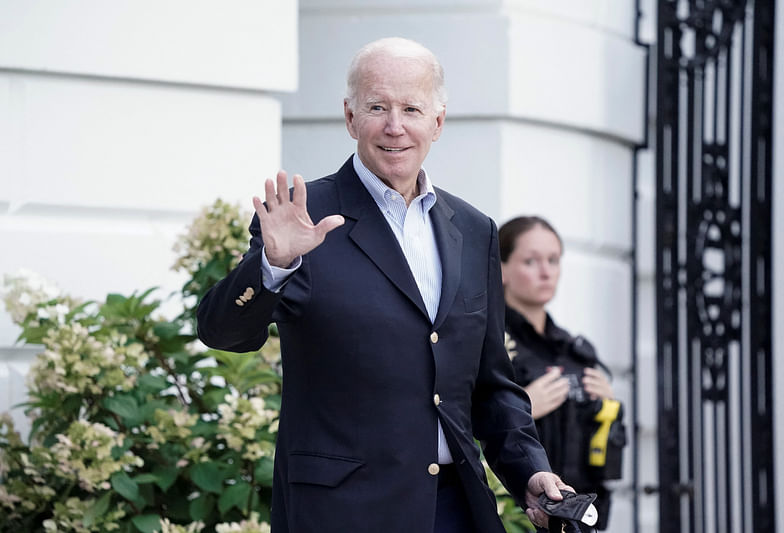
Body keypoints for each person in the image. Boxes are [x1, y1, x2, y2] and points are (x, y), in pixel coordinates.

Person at [197, 37, 571, 533]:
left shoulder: (475, 229)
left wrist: (529, 471)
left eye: (411, 108)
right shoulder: (302, 217)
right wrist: (272, 263)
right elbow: (222, 332)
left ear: (437, 122)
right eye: (377, 107)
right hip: (343, 514)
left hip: (456, 511)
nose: (395, 126)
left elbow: (490, 385)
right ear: (351, 118)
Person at [499, 216, 624, 531]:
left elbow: (606, 454)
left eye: (553, 260)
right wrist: (523, 407)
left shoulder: (575, 351)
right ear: (500, 268)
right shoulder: (490, 345)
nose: (546, 272)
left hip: (580, 516)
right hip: (517, 516)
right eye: (531, 261)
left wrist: (609, 411)